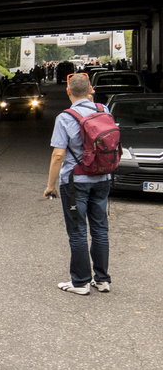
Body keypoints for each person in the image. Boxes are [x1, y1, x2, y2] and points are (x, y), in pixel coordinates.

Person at [43, 73, 112, 295]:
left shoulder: (65, 117)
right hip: (103, 178)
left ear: (68, 91)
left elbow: (58, 155)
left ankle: (80, 282)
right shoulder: (104, 110)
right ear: (91, 89)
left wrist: (51, 185)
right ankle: (102, 280)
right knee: (100, 229)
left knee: (78, 232)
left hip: (76, 182)